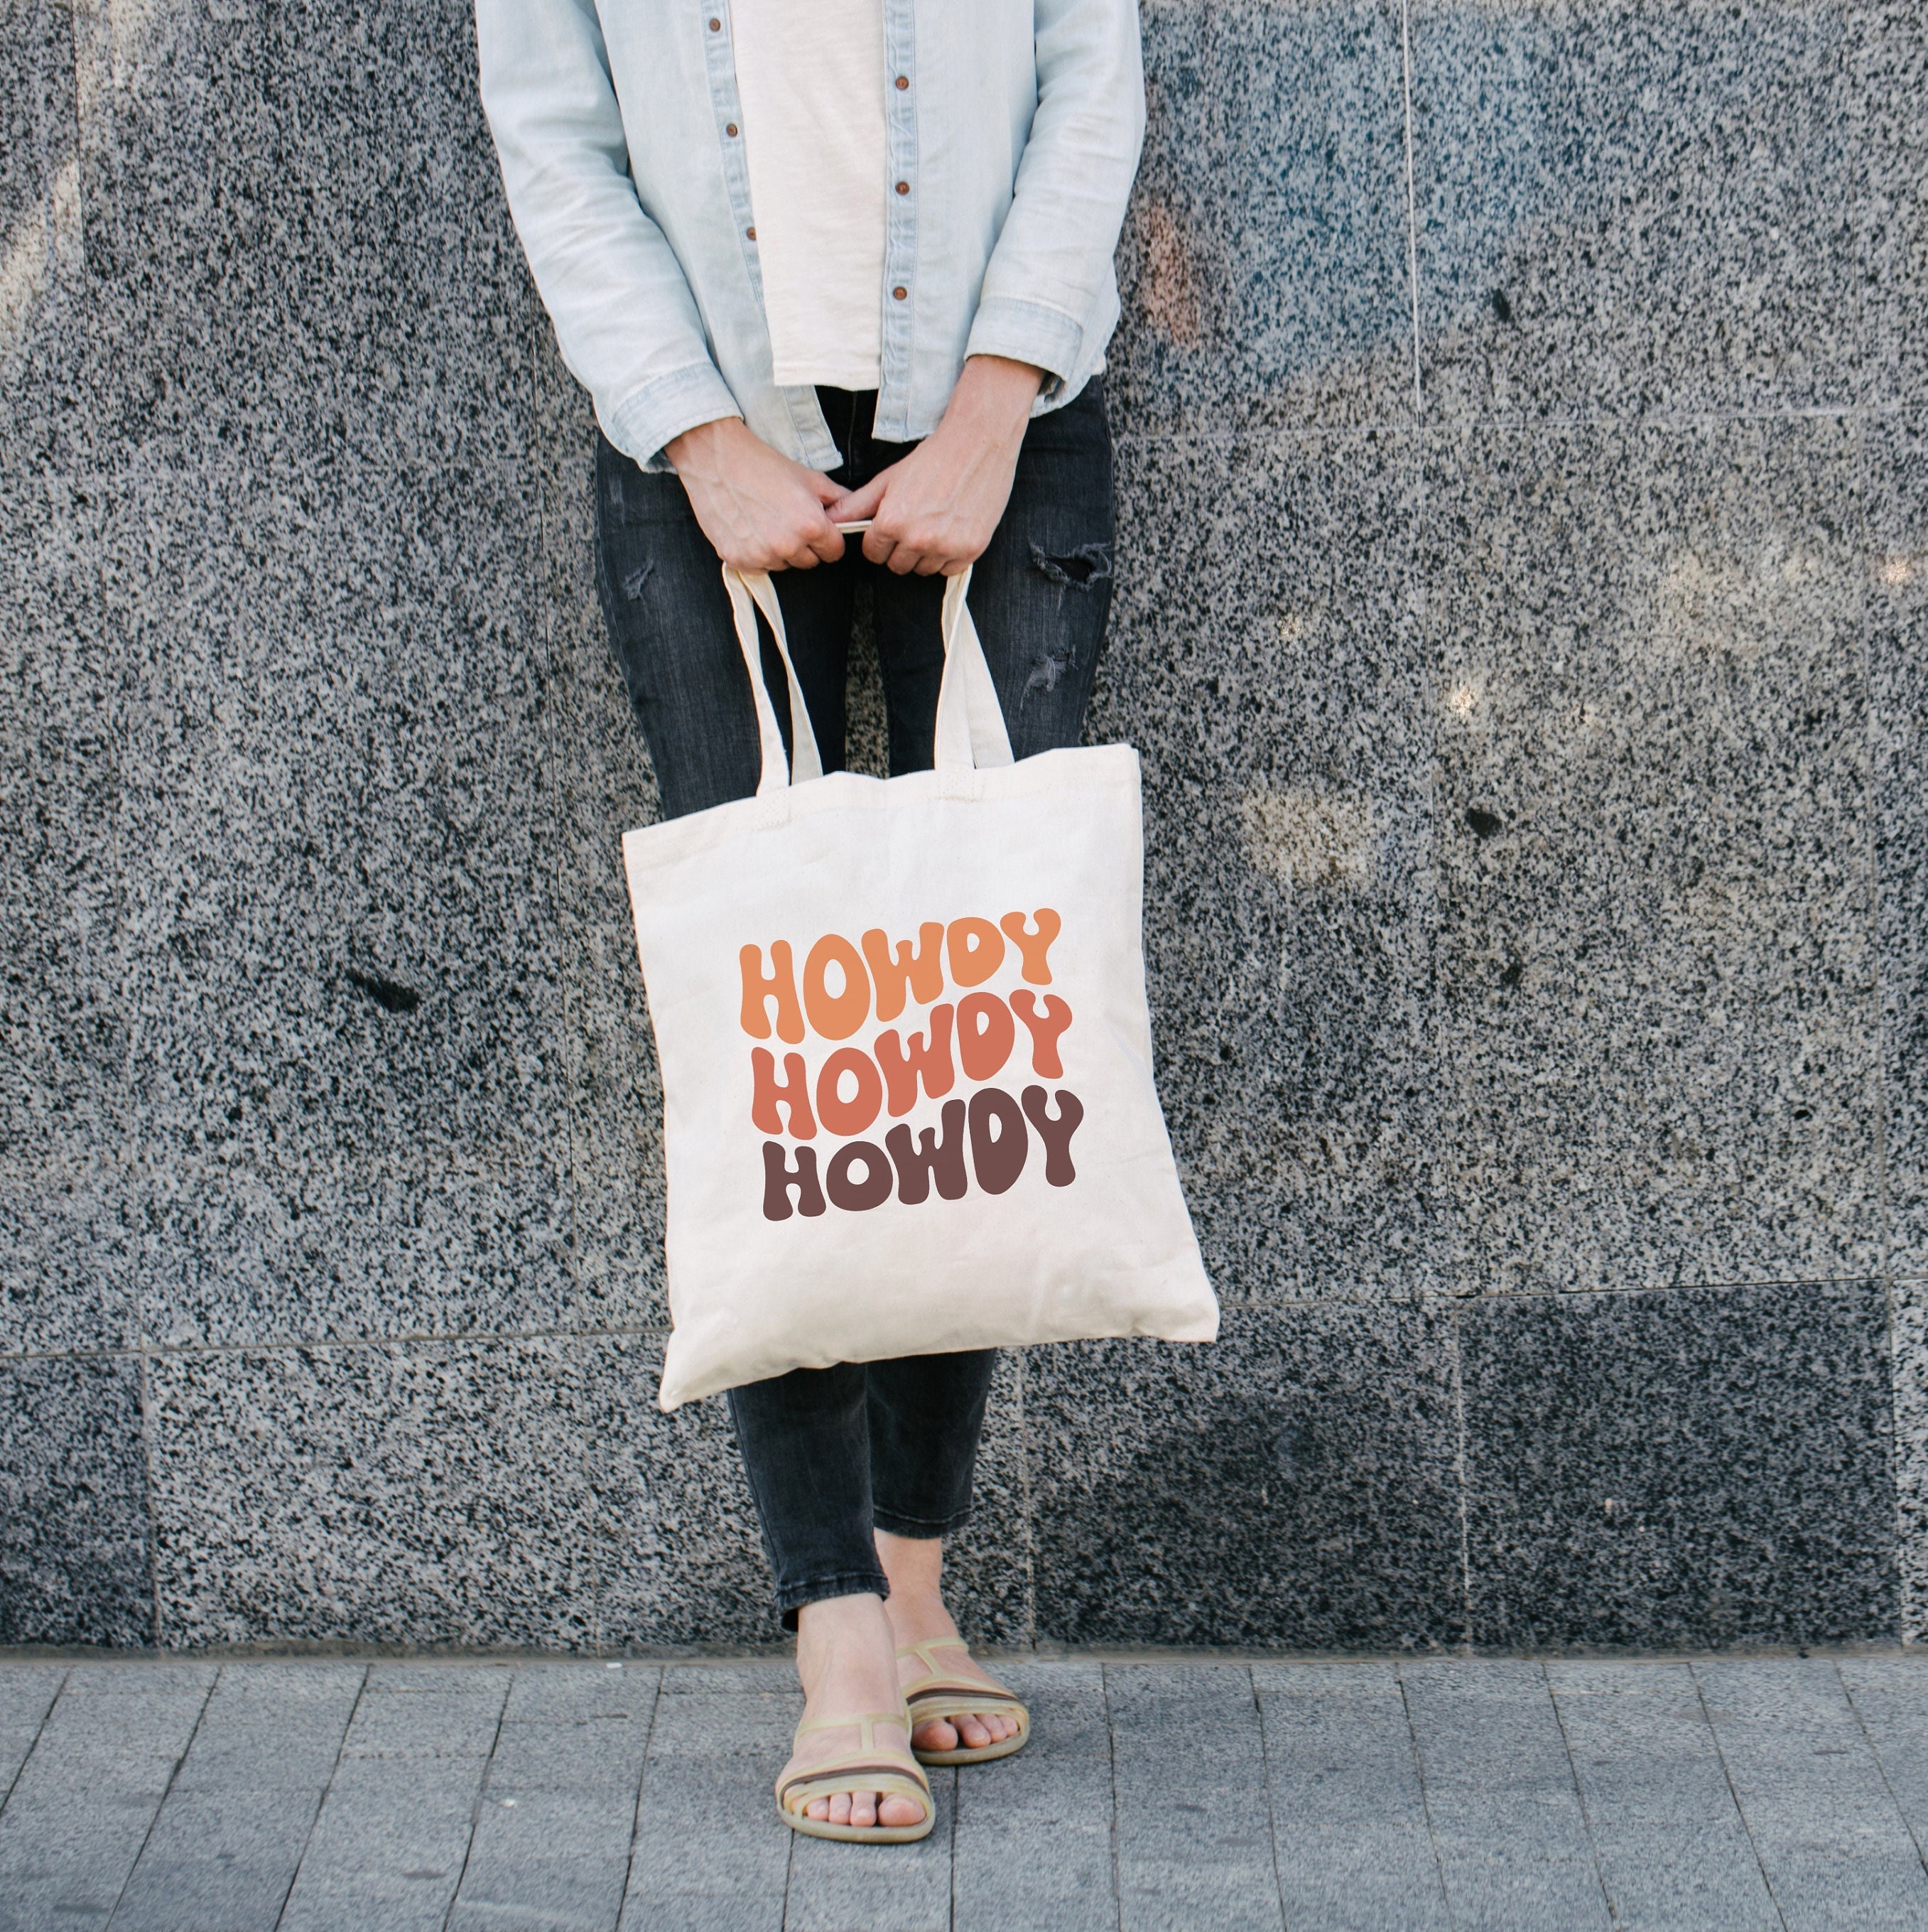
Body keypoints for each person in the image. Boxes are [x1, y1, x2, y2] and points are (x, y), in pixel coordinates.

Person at [477, 0, 1144, 1841]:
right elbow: (560, 140)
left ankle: (916, 1574)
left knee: (969, 1022)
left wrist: (996, 403)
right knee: (780, 1039)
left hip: (1003, 430)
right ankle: (836, 1630)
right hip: (701, 444)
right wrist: (699, 438)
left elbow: (1089, 78)